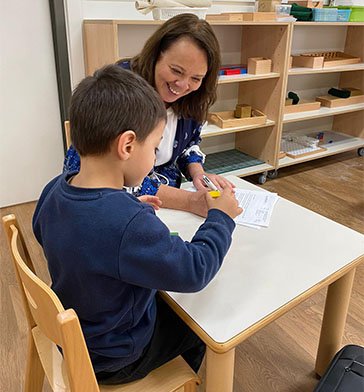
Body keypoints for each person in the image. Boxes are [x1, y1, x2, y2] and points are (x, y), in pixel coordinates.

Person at [33, 65, 242, 384]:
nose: (155, 156)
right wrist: (221, 217)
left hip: (76, 332)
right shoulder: (126, 222)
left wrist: (127, 210)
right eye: (155, 147)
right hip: (115, 356)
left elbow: (48, 230)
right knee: (204, 325)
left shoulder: (55, 189)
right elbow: (194, 269)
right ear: (127, 145)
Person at [64, 13, 233, 217]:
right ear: (156, 56)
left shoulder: (193, 98)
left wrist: (199, 173)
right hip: (119, 205)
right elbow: (98, 174)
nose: (183, 85)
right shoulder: (121, 90)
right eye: (176, 71)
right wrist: (189, 201)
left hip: (160, 202)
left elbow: (189, 143)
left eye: (196, 78)